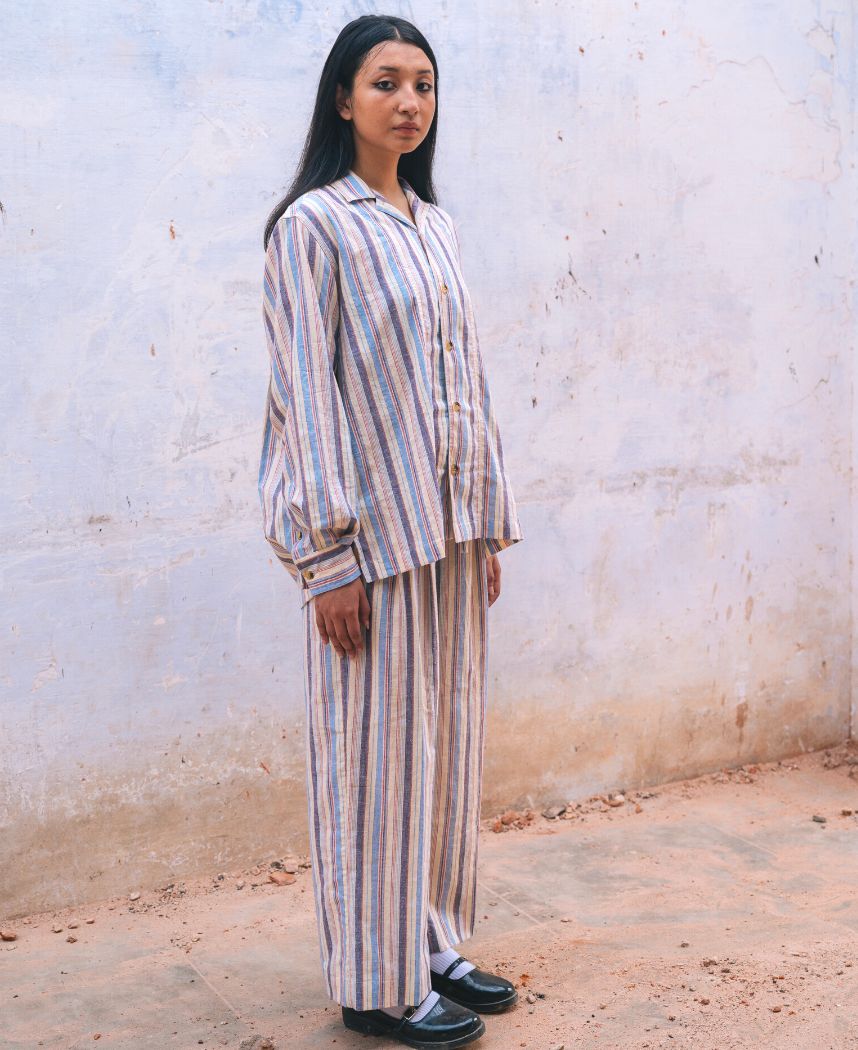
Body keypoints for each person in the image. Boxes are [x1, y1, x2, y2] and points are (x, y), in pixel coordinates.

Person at [258, 14, 524, 1048]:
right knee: (371, 765)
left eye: (422, 83)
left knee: (444, 751)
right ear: (343, 98)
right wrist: (325, 556)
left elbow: (466, 379)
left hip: (447, 532)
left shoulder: (434, 224)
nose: (408, 101)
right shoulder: (311, 227)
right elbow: (305, 396)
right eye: (385, 82)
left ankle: (432, 941)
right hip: (369, 543)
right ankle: (374, 983)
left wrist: (484, 522)